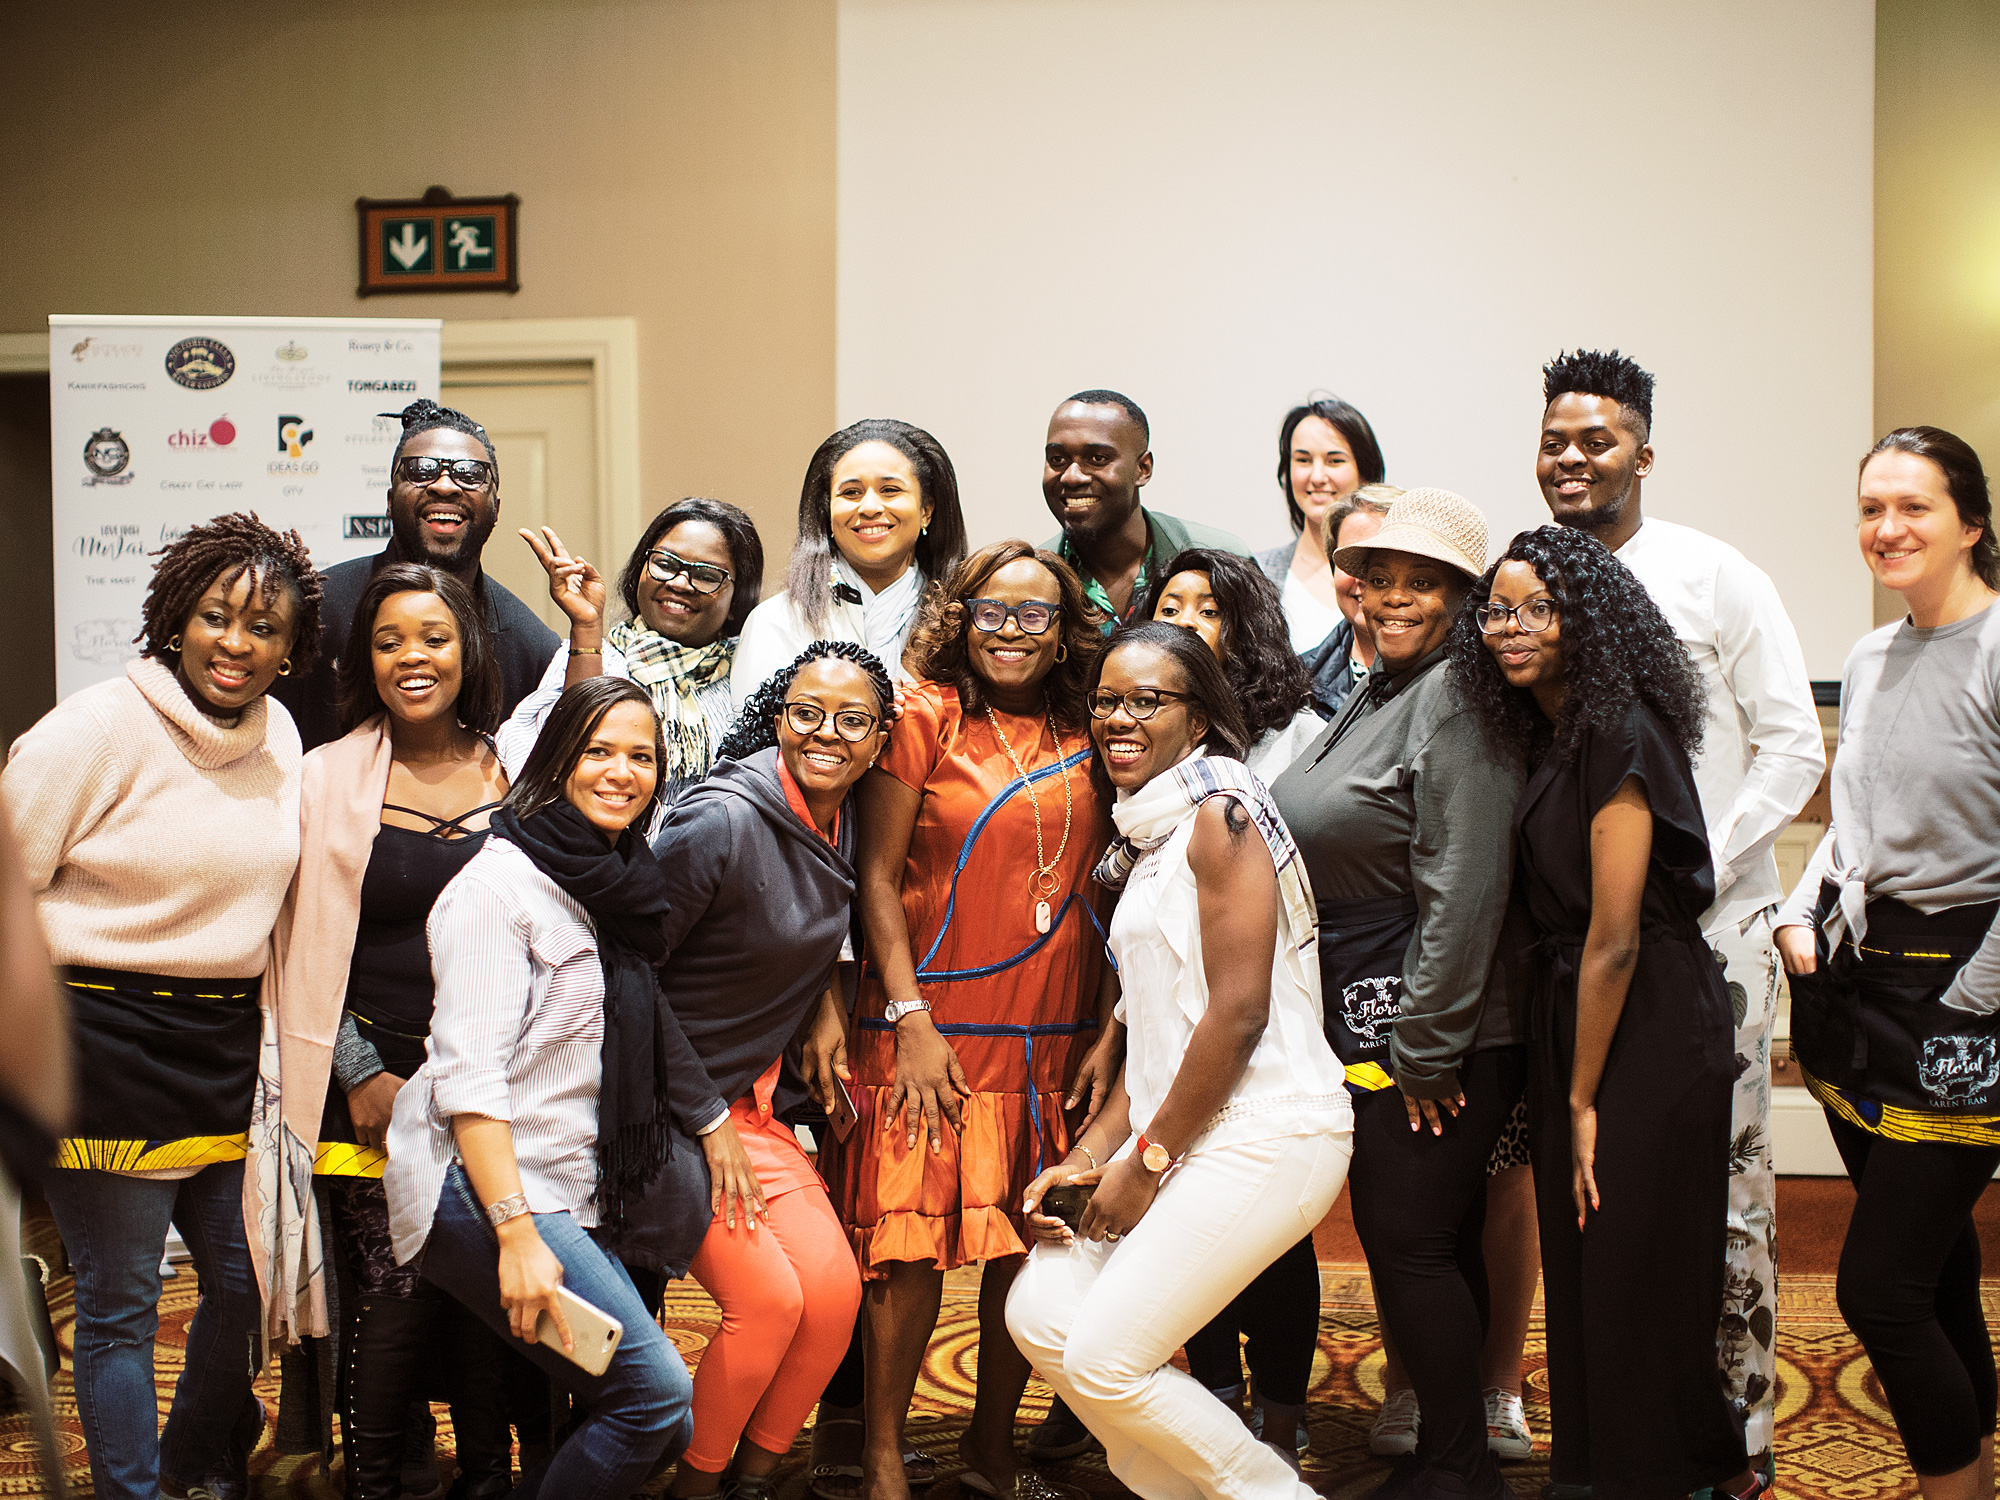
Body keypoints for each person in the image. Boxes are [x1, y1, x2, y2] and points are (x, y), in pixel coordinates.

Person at [1538, 351, 1820, 1477]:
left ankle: (1736, 1437)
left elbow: (1793, 744)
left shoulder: (1715, 575)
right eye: (1554, 441)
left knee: (1724, 1190)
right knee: (1603, 1189)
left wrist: (1697, 869)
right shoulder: (1536, 585)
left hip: (1712, 932)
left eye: (1596, 441)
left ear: (1642, 455)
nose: (1571, 459)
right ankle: (1620, 1434)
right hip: (1585, 941)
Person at [3, 513, 321, 1500]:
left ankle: (189, 1461)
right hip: (101, 1046)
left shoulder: (283, 735)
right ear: (175, 618)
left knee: (247, 1284)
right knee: (121, 1308)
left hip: (222, 1047)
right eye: (216, 616)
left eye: (262, 627)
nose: (236, 643)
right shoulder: (98, 727)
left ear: (289, 649)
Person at [1005, 621, 1350, 1500]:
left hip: (1269, 1129)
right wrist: (1089, 1158)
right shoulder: (1149, 839)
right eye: (1106, 701)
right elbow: (1158, 1040)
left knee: (1107, 1360)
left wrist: (1146, 1163)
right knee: (1041, 1312)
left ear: (1198, 720)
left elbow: (1237, 1015)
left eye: (1146, 701)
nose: (1118, 718)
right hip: (1181, 1129)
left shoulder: (1220, 818)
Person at [1450, 525, 1753, 1500]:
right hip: (1574, 1007)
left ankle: (1670, 1476)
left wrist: (1579, 1099)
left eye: (1538, 608)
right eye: (1496, 609)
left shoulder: (1619, 729)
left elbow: (1615, 937)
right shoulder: (1546, 729)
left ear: (1586, 619)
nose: (1511, 626)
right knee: (1590, 1260)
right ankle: (1604, 1473)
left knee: (1634, 1265)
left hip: (1646, 1017)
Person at [815, 540, 1118, 1500]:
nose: (1011, 632)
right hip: (930, 1026)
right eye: (992, 611)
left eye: (1035, 615)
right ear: (963, 619)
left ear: (1064, 631)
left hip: (1048, 1030)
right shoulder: (923, 715)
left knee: (1025, 1246)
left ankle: (992, 1450)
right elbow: (872, 877)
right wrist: (908, 1016)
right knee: (905, 1250)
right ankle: (883, 1457)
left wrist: (1107, 1024)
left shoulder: (1090, 728)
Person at [1270, 489, 1528, 1500]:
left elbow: (1465, 885)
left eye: (1421, 581)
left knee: (1409, 1241)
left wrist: (1424, 1045)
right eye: (1378, 577)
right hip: (1375, 1010)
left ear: (1465, 598)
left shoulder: (1456, 697)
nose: (1391, 597)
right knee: (1428, 1240)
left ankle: (1457, 1466)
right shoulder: (1384, 684)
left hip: (1431, 1030)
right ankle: (1451, 1457)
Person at [383, 677, 699, 1497]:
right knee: (652, 1398)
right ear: (556, 760)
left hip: (562, 1174)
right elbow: (471, 1082)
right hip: (482, 1184)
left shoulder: (606, 879)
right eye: (598, 751)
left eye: (641, 756)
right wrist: (517, 1236)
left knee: (657, 1417)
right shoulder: (495, 890)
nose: (622, 772)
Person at [1775, 427, 2000, 1500]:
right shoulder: (1870, 656)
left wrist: (1972, 999)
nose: (1886, 528)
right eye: (1871, 507)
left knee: (1879, 1293)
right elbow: (1851, 825)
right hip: (1859, 987)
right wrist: (1800, 911)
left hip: (1962, 990)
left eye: (1913, 507)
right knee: (1938, 1270)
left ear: (1971, 522)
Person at [265, 563, 516, 1499]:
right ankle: (376, 1481)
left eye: (435, 638)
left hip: (493, 1083)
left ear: (469, 651)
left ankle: (490, 1478)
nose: (414, 657)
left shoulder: (515, 767)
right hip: (373, 1083)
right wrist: (360, 1073)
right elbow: (297, 942)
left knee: (487, 1291)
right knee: (395, 1294)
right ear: (364, 660)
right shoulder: (324, 778)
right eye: (389, 641)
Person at [651, 641, 892, 1500]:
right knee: (769, 1305)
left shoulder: (847, 816)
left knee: (832, 1300)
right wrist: (705, 1119)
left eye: (853, 720)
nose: (827, 734)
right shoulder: (719, 820)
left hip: (753, 1107)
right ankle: (695, 1487)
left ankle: (753, 1480)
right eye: (807, 713)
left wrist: (823, 997)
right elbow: (627, 981)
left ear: (879, 741)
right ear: (777, 718)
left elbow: (803, 928)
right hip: (670, 1109)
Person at [274, 398, 559, 753]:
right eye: (421, 470)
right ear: (389, 501)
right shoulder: (315, 611)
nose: (445, 486)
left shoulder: (532, 647)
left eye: (470, 473)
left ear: (496, 508)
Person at [500, 497, 765, 807]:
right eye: (665, 564)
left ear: (737, 597)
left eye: (706, 576)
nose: (680, 583)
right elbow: (555, 768)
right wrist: (586, 626)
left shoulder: (750, 671)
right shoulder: (595, 656)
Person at [732, 419, 969, 707]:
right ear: (827, 512)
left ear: (926, 511)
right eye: (851, 493)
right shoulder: (775, 622)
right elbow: (757, 731)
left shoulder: (967, 623)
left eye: (890, 490)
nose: (869, 507)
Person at [1041, 390, 1248, 629]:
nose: (1071, 477)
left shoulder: (1223, 560)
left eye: (1097, 459)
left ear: (1143, 469)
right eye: (1057, 460)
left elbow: (1262, 651)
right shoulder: (1031, 579)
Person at [1142, 548, 1319, 780]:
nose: (1184, 621)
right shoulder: (1129, 720)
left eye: (1209, 612)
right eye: (1169, 610)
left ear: (1247, 632)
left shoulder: (1299, 733)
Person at [1253, 397, 1389, 652]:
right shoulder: (1258, 572)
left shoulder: (1399, 570)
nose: (1316, 477)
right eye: (1303, 460)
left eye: (1334, 460)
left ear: (1365, 473)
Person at [1298, 486, 1397, 720]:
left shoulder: (1454, 679)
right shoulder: (1294, 682)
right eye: (1350, 560)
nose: (1363, 577)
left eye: (1381, 560)